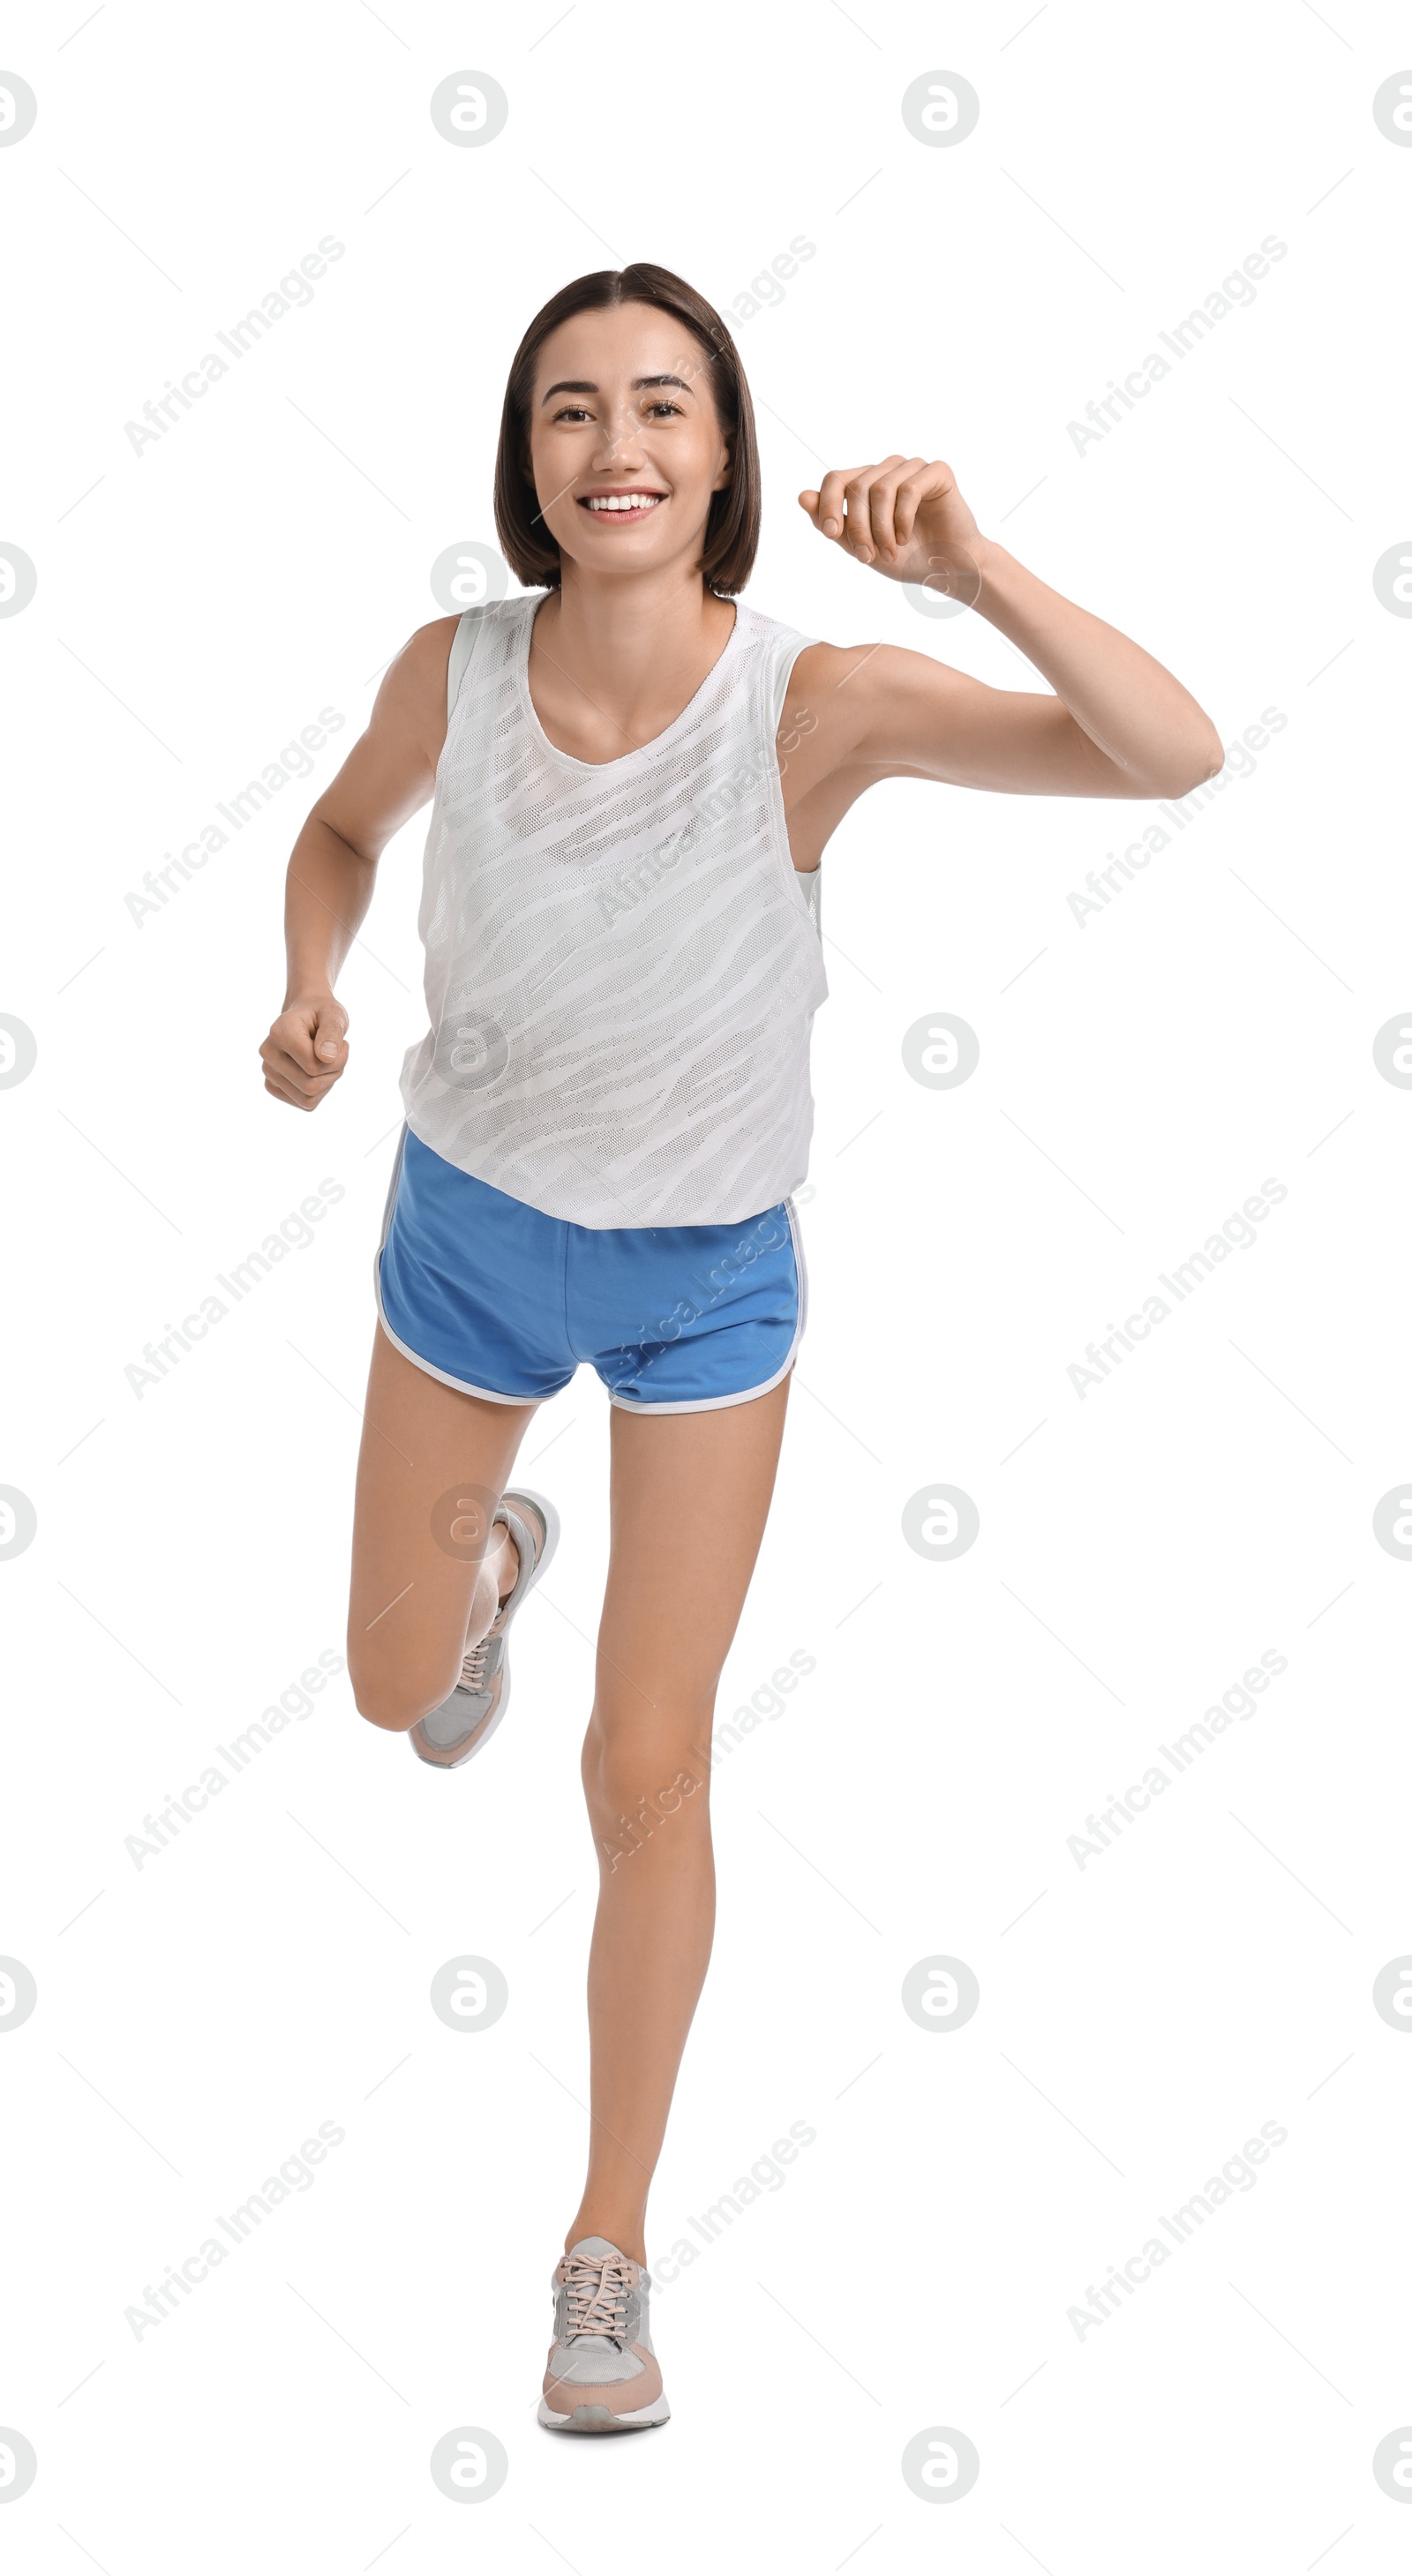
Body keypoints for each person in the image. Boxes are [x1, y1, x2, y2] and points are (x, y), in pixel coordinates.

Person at [259, 262, 1221, 2435]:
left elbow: (1168, 752)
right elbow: (334, 833)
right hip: (471, 1246)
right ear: (526, 461)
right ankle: (488, 1560)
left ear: (722, 456)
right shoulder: (456, 667)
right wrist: (310, 984)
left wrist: (971, 562)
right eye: (572, 409)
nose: (615, 445)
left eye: (662, 407)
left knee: (642, 1767)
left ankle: (603, 2248)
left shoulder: (815, 702)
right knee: (398, 1687)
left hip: (702, 1285)